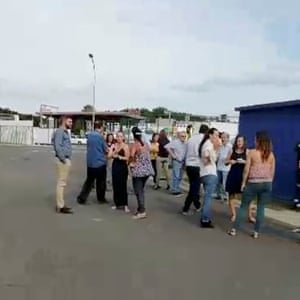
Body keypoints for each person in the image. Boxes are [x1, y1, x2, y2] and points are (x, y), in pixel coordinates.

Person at [228, 131, 276, 238]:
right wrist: (270, 182)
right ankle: (256, 232)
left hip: (253, 182)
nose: (254, 141)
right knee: (261, 207)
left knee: (244, 206)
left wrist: (243, 183)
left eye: (255, 139)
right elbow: (272, 171)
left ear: (258, 141)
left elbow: (246, 170)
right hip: (267, 183)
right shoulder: (271, 154)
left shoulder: (252, 153)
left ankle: (234, 229)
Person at [225, 135, 255, 222]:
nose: (239, 143)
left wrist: (244, 162)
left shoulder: (247, 151)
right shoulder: (232, 150)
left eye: (241, 141)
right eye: (238, 141)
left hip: (243, 176)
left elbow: (252, 163)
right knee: (232, 195)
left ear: (244, 142)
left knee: (248, 197)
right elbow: (226, 162)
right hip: (233, 174)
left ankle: (250, 216)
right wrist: (230, 161)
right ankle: (234, 214)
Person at [77, 121, 107, 205]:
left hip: (90, 162)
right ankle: (101, 198)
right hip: (100, 162)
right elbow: (105, 149)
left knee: (89, 181)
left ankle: (82, 197)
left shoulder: (89, 136)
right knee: (101, 182)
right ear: (101, 127)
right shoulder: (100, 137)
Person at [182, 124, 209, 215]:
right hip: (197, 165)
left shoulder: (191, 139)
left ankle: (196, 205)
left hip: (189, 164)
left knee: (193, 186)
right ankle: (187, 207)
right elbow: (202, 153)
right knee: (195, 188)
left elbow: (185, 152)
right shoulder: (204, 140)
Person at [130, 127, 154, 219]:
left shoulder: (136, 144)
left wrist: (131, 163)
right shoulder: (145, 144)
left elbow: (132, 156)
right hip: (147, 170)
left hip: (138, 171)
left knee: (138, 190)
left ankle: (142, 211)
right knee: (141, 190)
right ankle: (140, 208)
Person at [198, 128, 219, 228]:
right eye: (216, 135)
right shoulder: (208, 145)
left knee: (207, 196)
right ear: (210, 135)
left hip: (204, 173)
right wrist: (209, 159)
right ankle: (205, 219)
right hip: (210, 173)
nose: (217, 137)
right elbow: (206, 158)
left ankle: (205, 216)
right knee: (208, 197)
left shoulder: (205, 144)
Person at [53, 116, 73, 214]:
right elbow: (57, 145)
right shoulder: (60, 131)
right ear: (64, 121)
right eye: (69, 121)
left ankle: (61, 204)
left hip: (64, 159)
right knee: (61, 183)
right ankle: (60, 206)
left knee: (62, 183)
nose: (71, 123)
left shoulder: (64, 132)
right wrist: (63, 159)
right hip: (62, 160)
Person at [108, 131, 130, 212]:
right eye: (117, 136)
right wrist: (114, 152)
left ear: (123, 137)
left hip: (122, 166)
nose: (119, 138)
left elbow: (127, 158)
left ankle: (125, 204)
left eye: (120, 136)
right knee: (115, 185)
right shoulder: (113, 145)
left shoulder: (125, 146)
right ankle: (117, 203)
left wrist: (120, 157)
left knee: (123, 185)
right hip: (115, 166)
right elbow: (109, 156)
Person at [165, 131, 187, 196]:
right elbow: (167, 147)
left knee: (180, 176)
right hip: (177, 161)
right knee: (176, 176)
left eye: (185, 136)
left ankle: (177, 188)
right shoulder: (175, 142)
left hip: (183, 161)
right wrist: (173, 155)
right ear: (179, 136)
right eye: (182, 136)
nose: (184, 137)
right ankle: (175, 190)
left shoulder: (185, 143)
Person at [216, 132, 232, 202]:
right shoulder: (220, 146)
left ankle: (226, 196)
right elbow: (218, 155)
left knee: (225, 183)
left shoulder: (230, 147)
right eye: (221, 137)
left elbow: (229, 157)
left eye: (224, 137)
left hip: (226, 168)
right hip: (219, 166)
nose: (222, 139)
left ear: (228, 138)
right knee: (217, 182)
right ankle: (218, 195)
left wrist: (225, 159)